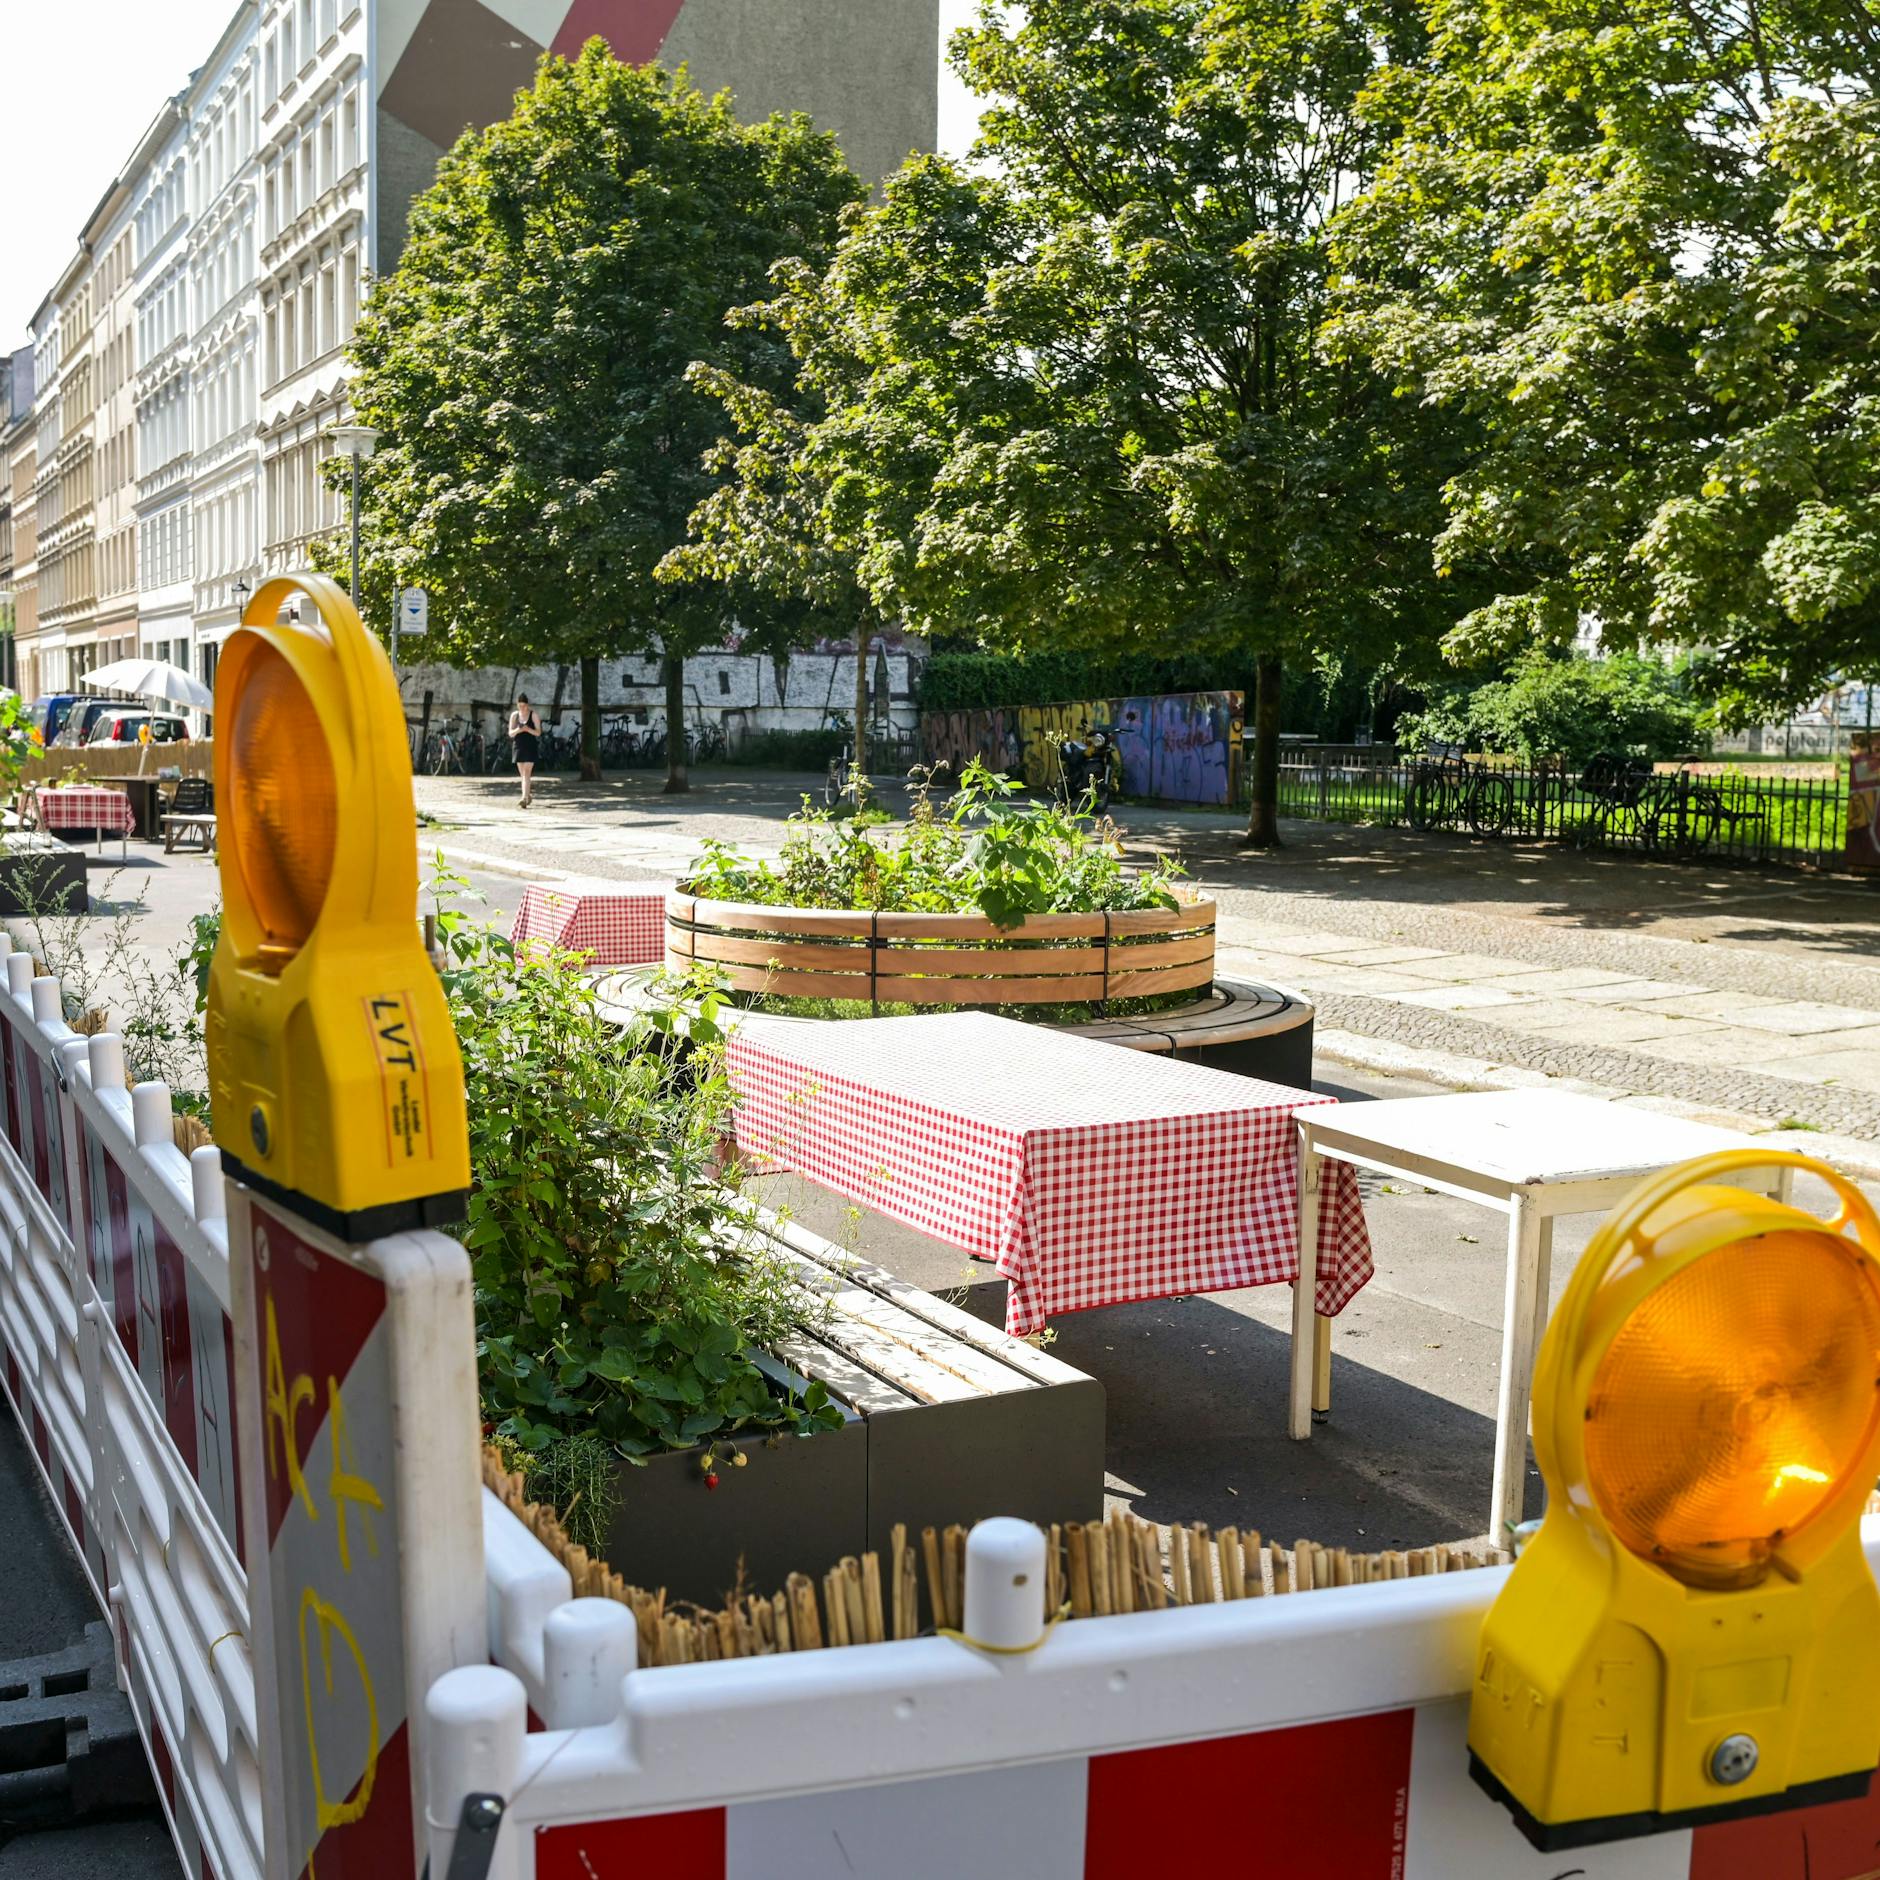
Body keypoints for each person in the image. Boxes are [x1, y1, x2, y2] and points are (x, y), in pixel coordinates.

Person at [508, 693, 541, 807]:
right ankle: (528, 795)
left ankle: (524, 798)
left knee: (527, 773)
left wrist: (528, 729)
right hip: (518, 746)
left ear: (527, 705)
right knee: (523, 775)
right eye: (520, 706)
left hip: (530, 746)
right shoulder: (514, 716)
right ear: (517, 705)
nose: (522, 708)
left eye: (524, 706)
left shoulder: (533, 715)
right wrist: (518, 730)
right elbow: (510, 733)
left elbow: (538, 732)